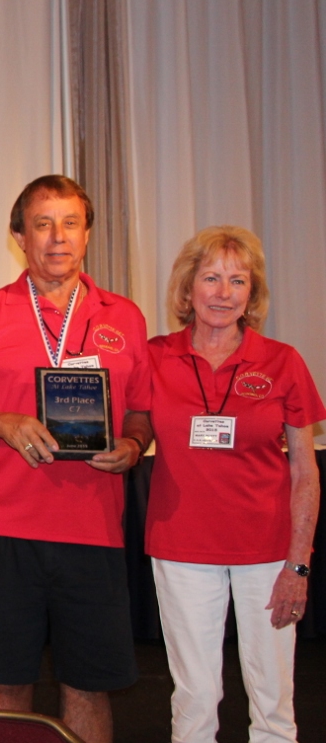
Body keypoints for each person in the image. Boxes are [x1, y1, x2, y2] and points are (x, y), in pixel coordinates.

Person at [0, 175, 153, 743]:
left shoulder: (124, 318)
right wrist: (0, 423)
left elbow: (142, 414)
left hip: (94, 530)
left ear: (87, 234)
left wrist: (132, 446)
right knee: (4, 685)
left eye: (71, 223)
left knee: (89, 685)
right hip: (4, 529)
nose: (58, 237)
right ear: (19, 236)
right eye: (42, 224)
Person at [145, 226, 323, 743]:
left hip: (268, 552)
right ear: (188, 288)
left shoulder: (283, 362)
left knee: (273, 700)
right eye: (211, 278)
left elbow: (305, 472)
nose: (223, 293)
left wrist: (298, 562)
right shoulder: (156, 357)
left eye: (237, 281)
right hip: (181, 549)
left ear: (252, 294)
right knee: (195, 697)